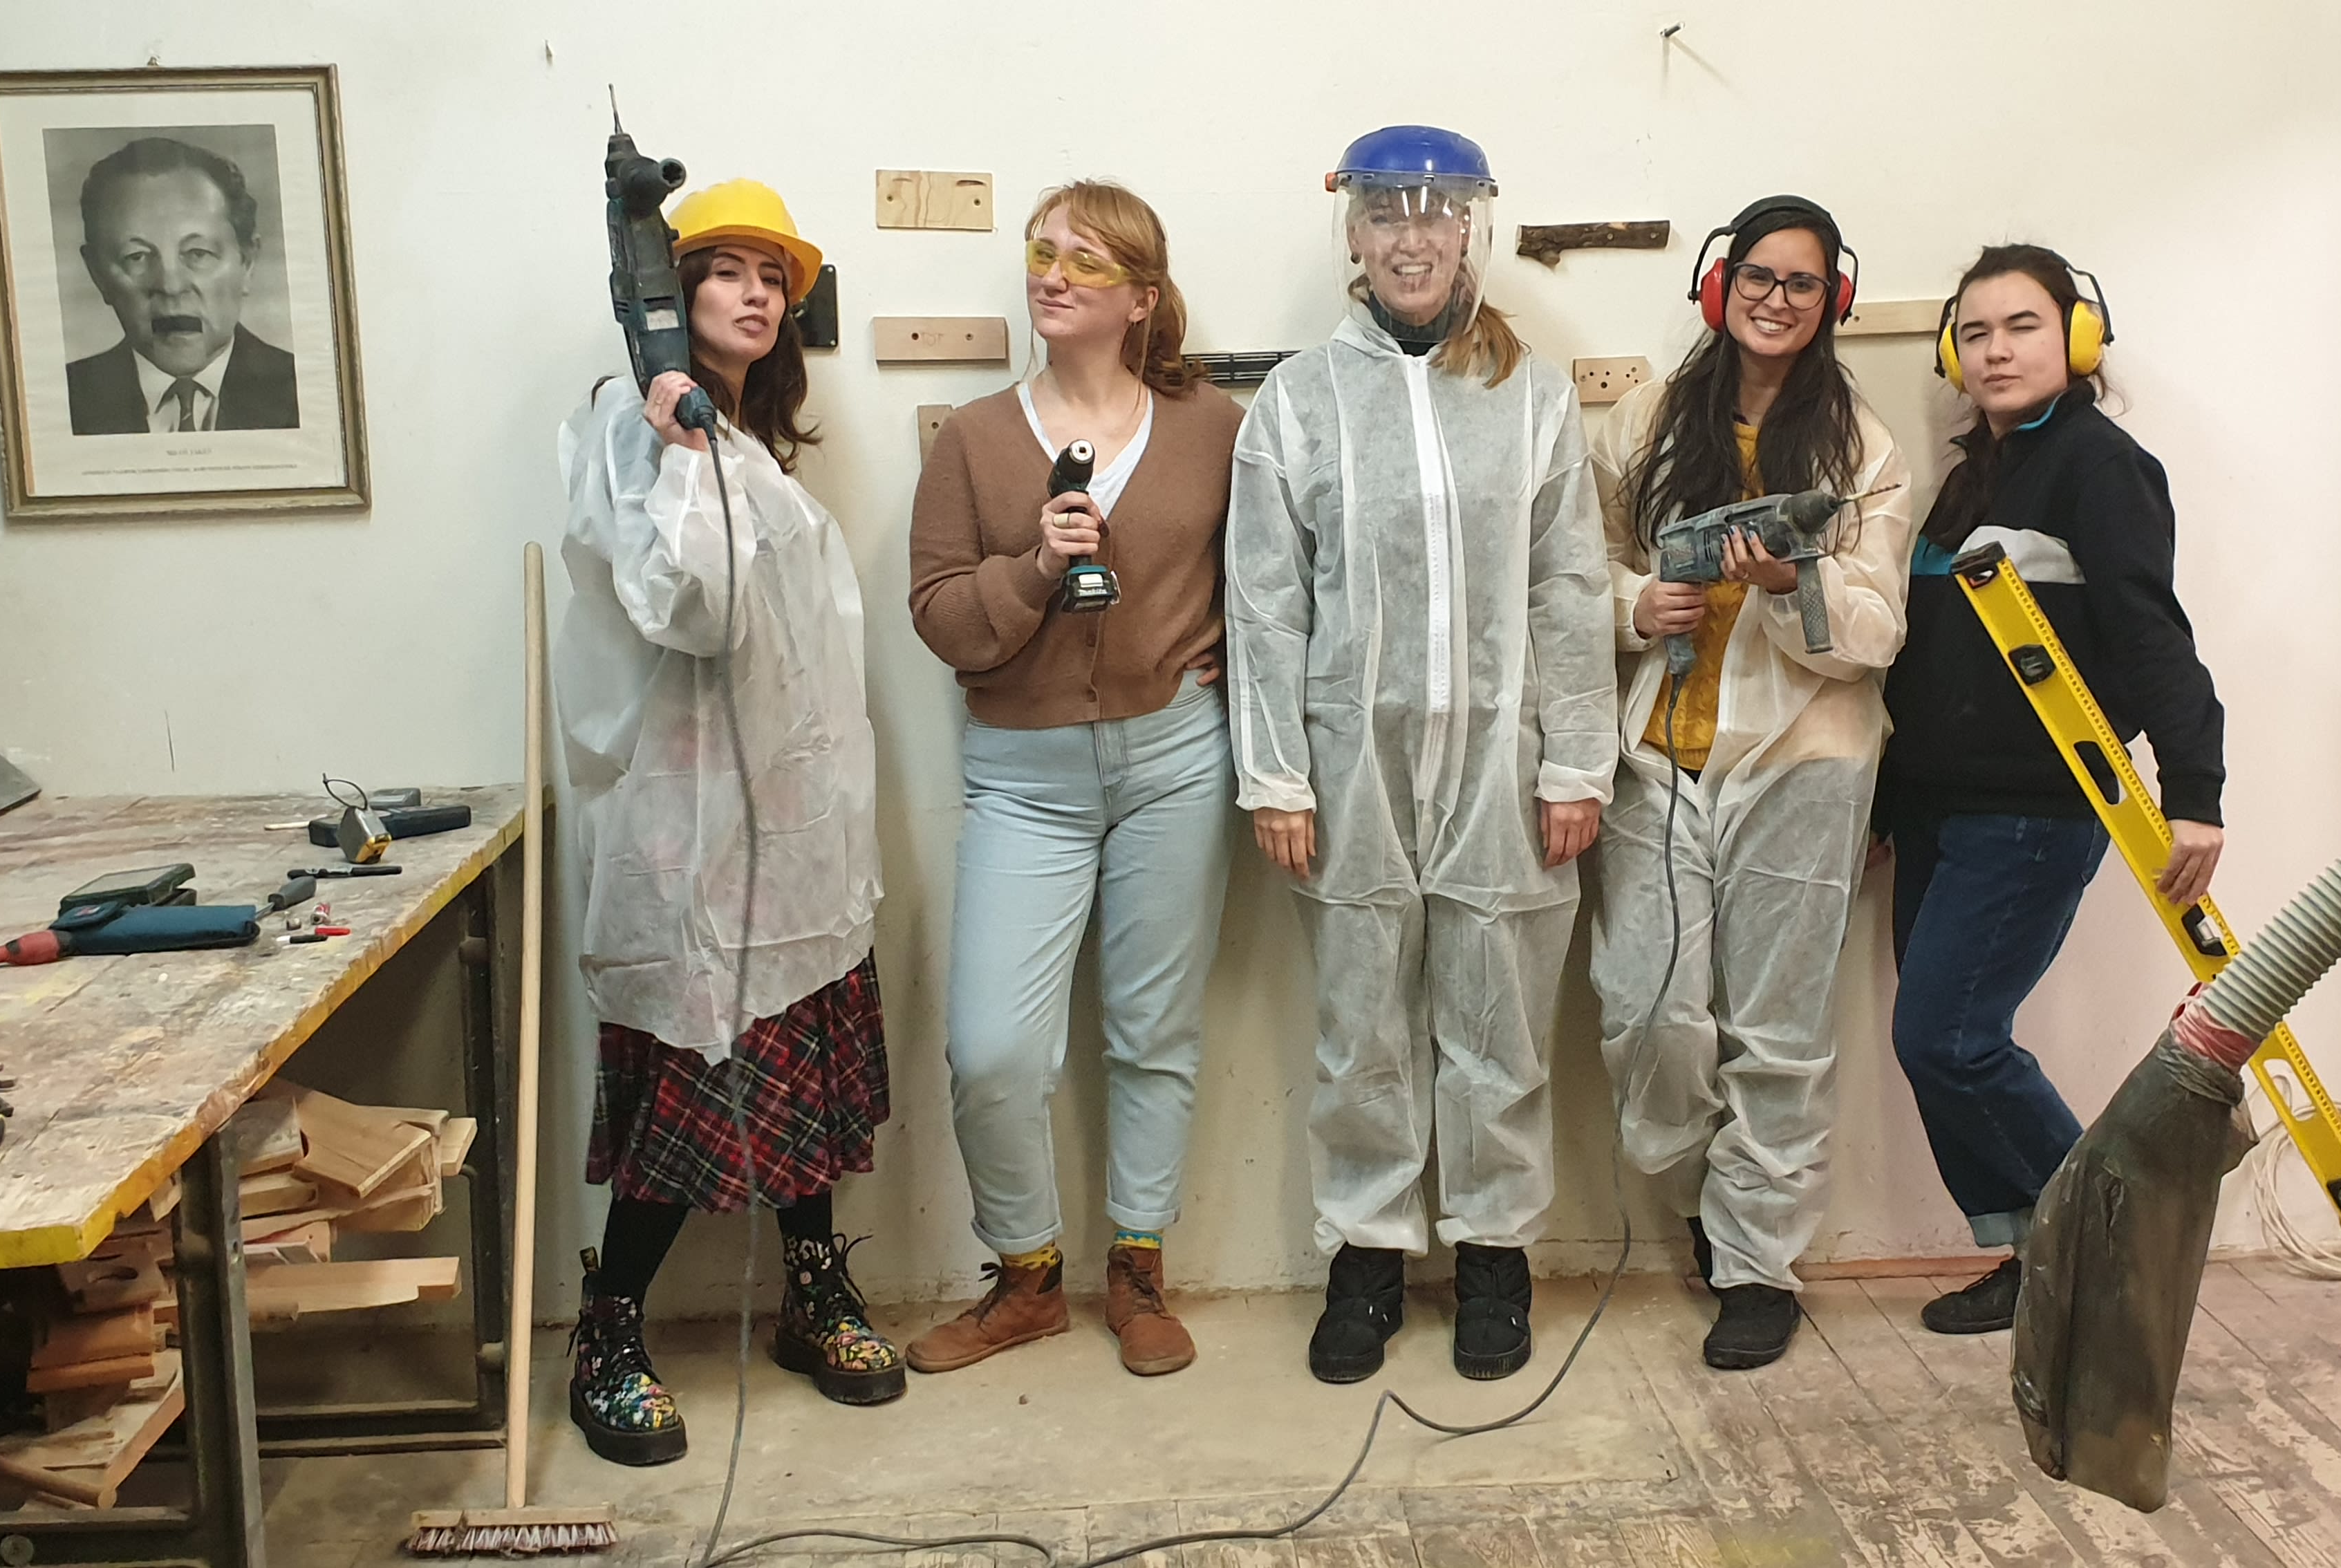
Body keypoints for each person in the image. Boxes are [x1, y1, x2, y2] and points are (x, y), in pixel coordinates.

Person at [1227, 126, 1616, 1386]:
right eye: (1384, 214)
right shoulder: (1298, 397)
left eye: (1434, 213)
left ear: (1470, 230)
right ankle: (1368, 1255)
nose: (1409, 235)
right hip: (1350, 769)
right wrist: (1276, 769)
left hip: (1506, 764)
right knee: (1360, 1024)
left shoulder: (1534, 392)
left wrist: (1576, 763)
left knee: (1497, 1012)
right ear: (1351, 232)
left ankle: (1495, 1251)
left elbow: (1566, 585)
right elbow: (1265, 599)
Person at [554, 178, 901, 1465]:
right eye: (727, 270)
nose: (758, 293)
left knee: (797, 1053)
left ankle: (814, 1291)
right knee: (693, 1077)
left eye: (776, 276)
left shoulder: (752, 446)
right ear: (668, 289)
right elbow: (690, 610)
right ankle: (609, 1323)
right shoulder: (628, 426)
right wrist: (681, 444)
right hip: (685, 832)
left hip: (793, 830)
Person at [905, 180, 1240, 1380]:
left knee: (1153, 1032)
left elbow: (1270, 579)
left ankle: (1138, 1268)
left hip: (1174, 759)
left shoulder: (1214, 428)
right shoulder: (976, 438)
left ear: (1139, 299)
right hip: (1021, 771)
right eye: (1042, 253)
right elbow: (942, 616)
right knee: (994, 1046)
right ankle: (1026, 1275)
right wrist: (1035, 565)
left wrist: (1227, 670)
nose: (1051, 274)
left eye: (1084, 261)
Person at [1875, 243, 2226, 1335]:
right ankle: (2037, 1258)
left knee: (1950, 1039)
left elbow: (2150, 630)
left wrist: (2196, 789)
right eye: (1975, 334)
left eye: (2022, 326)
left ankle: (2113, 1246)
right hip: (1938, 809)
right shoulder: (1970, 477)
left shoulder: (2097, 464)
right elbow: (1927, 663)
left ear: (2075, 340)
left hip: (2033, 811)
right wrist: (1890, 805)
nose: (1996, 350)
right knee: (1936, 1041)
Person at [1588, 196, 1912, 1370]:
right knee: (1648, 1013)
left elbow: (1875, 628)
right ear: (1720, 288)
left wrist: (1788, 581)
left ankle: (1758, 1262)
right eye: (1759, 278)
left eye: (1803, 283)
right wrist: (1636, 604)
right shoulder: (1643, 420)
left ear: (1833, 301)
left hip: (1805, 763)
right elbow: (1581, 572)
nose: (1778, 300)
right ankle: (1704, 1199)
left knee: (1776, 1032)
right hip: (1660, 754)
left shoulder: (1859, 448)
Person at [66, 137, 298, 436]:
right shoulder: (62, 403)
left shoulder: (309, 390)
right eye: (136, 257)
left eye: (197, 254)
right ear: (98, 274)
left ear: (248, 261)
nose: (171, 286)